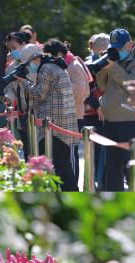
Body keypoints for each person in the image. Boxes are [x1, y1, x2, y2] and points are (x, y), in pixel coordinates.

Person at [13, 44, 80, 191]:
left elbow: (40, 95)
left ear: (37, 58)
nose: (28, 67)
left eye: (28, 63)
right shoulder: (54, 65)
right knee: (62, 164)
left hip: (53, 124)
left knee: (49, 163)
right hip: (63, 121)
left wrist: (24, 82)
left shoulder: (46, 69)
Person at [97, 28, 135, 191]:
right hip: (111, 120)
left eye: (121, 47)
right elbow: (101, 84)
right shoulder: (113, 57)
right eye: (114, 47)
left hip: (131, 121)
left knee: (134, 169)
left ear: (130, 44)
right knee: (112, 170)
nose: (118, 50)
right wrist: (102, 66)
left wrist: (113, 67)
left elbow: (132, 86)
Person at [43, 38, 91, 183]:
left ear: (58, 54)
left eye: (50, 57)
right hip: (60, 116)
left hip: (73, 116)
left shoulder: (74, 66)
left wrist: (57, 83)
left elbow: (80, 91)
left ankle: (73, 189)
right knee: (60, 159)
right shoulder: (62, 66)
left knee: (70, 158)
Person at [0, 31, 36, 159]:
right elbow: (10, 89)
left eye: (14, 48)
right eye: (9, 49)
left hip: (40, 115)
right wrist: (8, 98)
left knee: (41, 152)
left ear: (24, 45)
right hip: (22, 115)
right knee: (27, 153)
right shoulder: (11, 68)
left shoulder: (37, 64)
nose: (11, 52)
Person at [84, 33, 110, 189]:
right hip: (95, 112)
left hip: (101, 111)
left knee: (101, 149)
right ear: (101, 48)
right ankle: (97, 182)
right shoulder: (89, 64)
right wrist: (98, 106)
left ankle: (100, 181)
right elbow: (85, 92)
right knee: (97, 149)